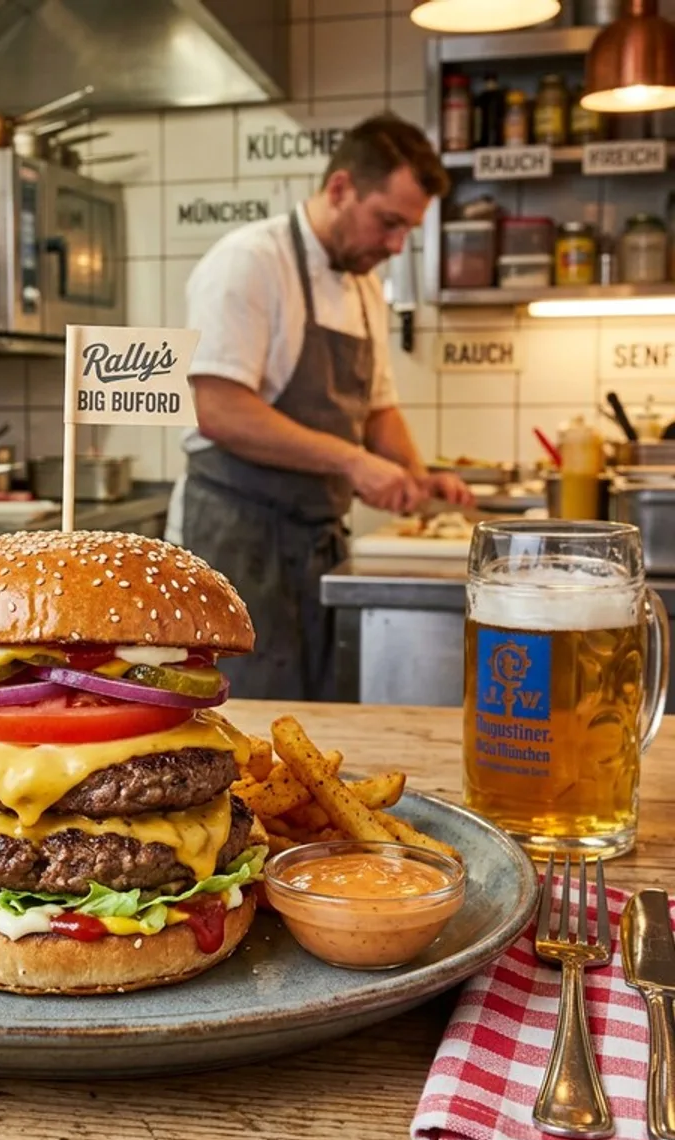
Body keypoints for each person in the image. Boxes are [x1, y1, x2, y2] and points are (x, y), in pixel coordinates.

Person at [167, 112, 472, 702]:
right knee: (240, 716)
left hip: (313, 548)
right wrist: (353, 464)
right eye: (388, 222)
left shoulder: (362, 287)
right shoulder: (249, 262)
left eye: (406, 230)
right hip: (237, 545)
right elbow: (219, 408)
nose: (394, 245)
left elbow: (379, 409)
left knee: (315, 712)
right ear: (340, 189)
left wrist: (416, 478)